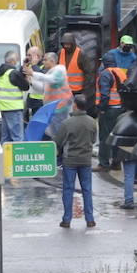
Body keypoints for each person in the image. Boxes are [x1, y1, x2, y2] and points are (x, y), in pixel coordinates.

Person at [52, 97, 97, 229]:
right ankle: (90, 219)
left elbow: (58, 142)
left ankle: (67, 219)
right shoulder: (92, 122)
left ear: (76, 106)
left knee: (68, 189)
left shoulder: (67, 123)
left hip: (70, 160)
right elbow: (93, 140)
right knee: (87, 190)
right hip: (86, 160)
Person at [95, 51, 127, 171]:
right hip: (121, 110)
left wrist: (102, 109)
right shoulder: (121, 73)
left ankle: (103, 163)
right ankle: (116, 162)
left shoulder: (105, 74)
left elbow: (104, 95)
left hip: (109, 110)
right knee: (117, 136)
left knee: (105, 137)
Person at [0, 51, 29, 148]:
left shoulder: (3, 72)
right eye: (16, 60)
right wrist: (26, 77)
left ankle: (5, 160)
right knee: (17, 137)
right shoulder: (13, 73)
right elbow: (25, 86)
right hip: (14, 108)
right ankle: (17, 161)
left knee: (6, 137)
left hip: (4, 108)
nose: (17, 62)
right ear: (12, 61)